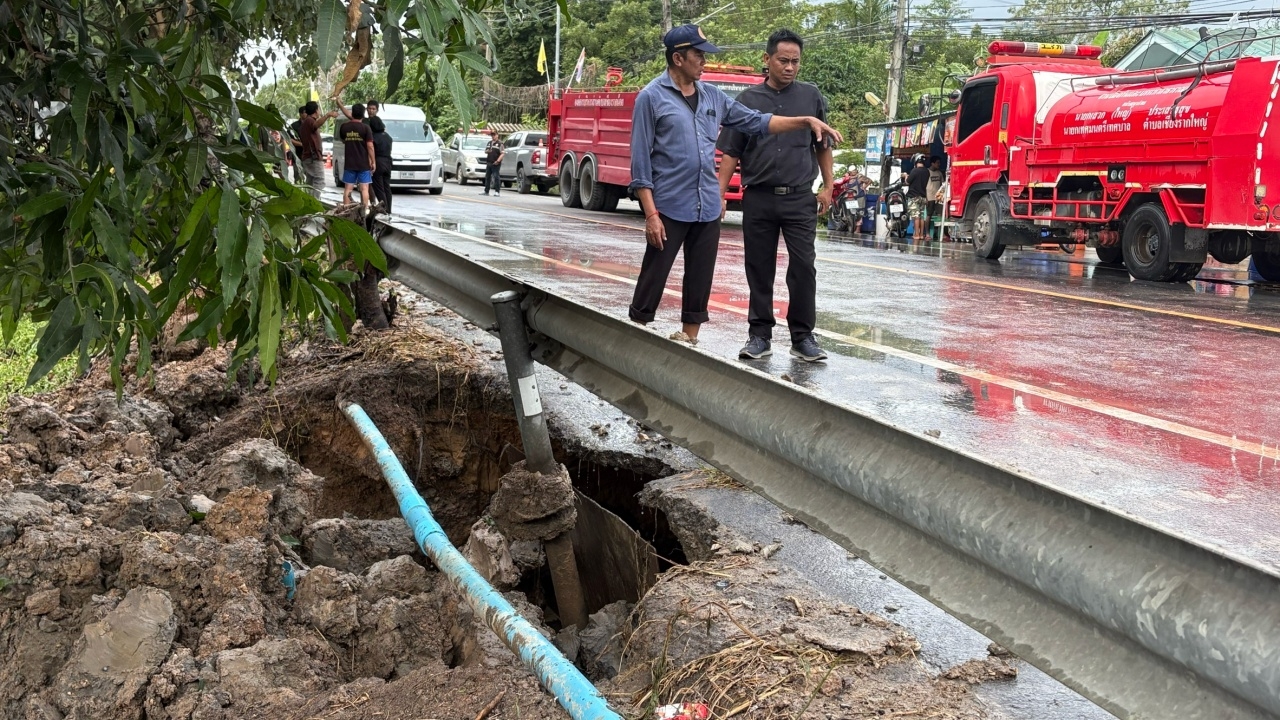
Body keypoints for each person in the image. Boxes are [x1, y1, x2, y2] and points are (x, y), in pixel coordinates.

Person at [628, 24, 842, 346]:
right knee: (655, 272)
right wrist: (650, 214)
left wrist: (805, 121)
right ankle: (635, 335)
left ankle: (689, 339)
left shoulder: (712, 95)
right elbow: (641, 162)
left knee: (700, 275)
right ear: (678, 58)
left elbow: (757, 121)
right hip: (669, 203)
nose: (704, 61)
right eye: (698, 55)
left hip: (706, 203)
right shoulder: (651, 98)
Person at [717, 29, 833, 362]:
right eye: (783, 60)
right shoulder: (747, 100)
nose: (790, 67)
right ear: (767, 59)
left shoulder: (811, 96)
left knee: (803, 266)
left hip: (800, 198)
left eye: (795, 61)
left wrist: (828, 185)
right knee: (759, 266)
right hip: (759, 197)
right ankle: (759, 335)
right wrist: (719, 194)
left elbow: (822, 144)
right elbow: (731, 152)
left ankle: (803, 337)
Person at [339, 103, 376, 210]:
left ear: (352, 113)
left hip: (349, 163)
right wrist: (373, 161)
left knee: (348, 188)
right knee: (364, 188)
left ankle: (346, 210)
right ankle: (364, 211)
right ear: (363, 114)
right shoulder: (366, 128)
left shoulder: (344, 127)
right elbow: (370, 146)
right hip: (363, 164)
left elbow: (343, 140)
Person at [300, 101, 339, 198]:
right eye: (318, 109)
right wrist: (328, 115)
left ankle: (309, 202)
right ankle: (315, 201)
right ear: (316, 110)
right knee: (319, 181)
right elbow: (315, 125)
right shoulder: (310, 121)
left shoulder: (305, 122)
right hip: (313, 157)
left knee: (310, 182)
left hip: (308, 156)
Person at [369, 116, 393, 214]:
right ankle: (389, 209)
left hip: (378, 162)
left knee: (379, 188)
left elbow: (371, 150)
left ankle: (384, 209)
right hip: (388, 161)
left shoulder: (373, 137)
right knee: (387, 187)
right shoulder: (388, 136)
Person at [907, 155, 931, 242]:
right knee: (921, 216)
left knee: (916, 216)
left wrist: (906, 176)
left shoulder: (914, 171)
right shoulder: (927, 172)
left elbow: (907, 182)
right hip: (923, 197)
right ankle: (921, 235)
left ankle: (916, 234)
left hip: (914, 196)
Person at [481, 130, 504, 196]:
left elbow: (502, 153)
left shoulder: (500, 143)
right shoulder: (489, 143)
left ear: (497, 135)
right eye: (492, 135)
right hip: (489, 162)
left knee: (496, 177)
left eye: (494, 135)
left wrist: (498, 161)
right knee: (487, 177)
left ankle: (497, 191)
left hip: (495, 163)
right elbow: (486, 151)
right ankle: (486, 191)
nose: (493, 136)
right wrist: (488, 151)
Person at [926, 156, 944, 238]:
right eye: (937, 163)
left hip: (938, 198)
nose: (939, 164)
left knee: (940, 215)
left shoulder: (939, 173)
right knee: (928, 215)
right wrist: (926, 198)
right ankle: (927, 233)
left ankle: (941, 234)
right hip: (929, 197)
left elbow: (942, 185)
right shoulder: (927, 172)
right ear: (932, 163)